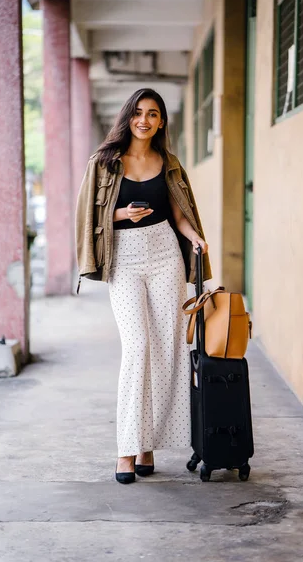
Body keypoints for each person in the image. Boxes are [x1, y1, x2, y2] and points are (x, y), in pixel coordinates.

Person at [75, 88, 212, 484]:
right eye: (138, 112)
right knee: (138, 347)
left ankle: (148, 444)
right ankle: (126, 450)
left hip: (166, 253)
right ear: (128, 117)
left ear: (162, 122)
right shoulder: (104, 162)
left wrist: (196, 237)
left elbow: (178, 213)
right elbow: (89, 212)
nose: (144, 120)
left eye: (153, 114)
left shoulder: (168, 162)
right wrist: (122, 213)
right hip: (126, 258)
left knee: (168, 348)